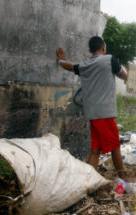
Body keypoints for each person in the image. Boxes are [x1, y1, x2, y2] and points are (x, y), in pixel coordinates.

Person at [56, 36, 130, 181]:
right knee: (115, 147)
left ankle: (86, 182)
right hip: (105, 114)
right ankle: (123, 178)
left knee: (95, 150)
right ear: (103, 48)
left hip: (92, 114)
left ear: (90, 50)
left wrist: (61, 60)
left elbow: (70, 67)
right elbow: (122, 74)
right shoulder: (108, 60)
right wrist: (125, 73)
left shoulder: (84, 65)